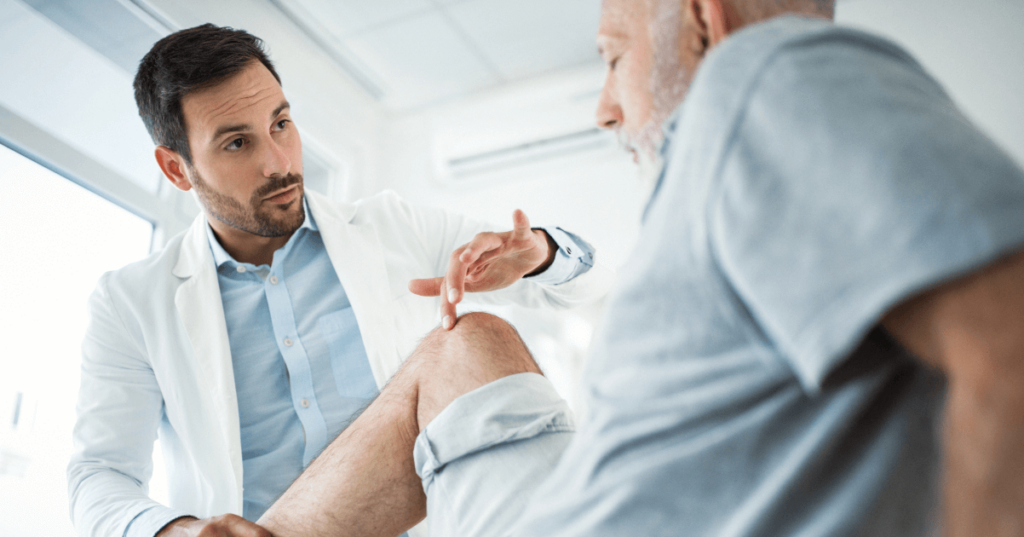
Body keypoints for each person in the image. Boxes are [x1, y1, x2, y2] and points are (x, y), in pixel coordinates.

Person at [238, 0, 1024, 536]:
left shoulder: (765, 73)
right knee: (467, 340)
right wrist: (533, 254)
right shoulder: (760, 187)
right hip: (579, 501)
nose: (604, 108)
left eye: (614, 57)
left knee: (462, 342)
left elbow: (1010, 339)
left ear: (703, 20)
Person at [66, 24, 613, 537]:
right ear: (176, 169)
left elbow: (588, 287)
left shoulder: (392, 227)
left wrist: (540, 253)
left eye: (281, 123)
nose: (279, 162)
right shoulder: (131, 302)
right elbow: (99, 474)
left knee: (478, 336)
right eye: (237, 143)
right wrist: (178, 531)